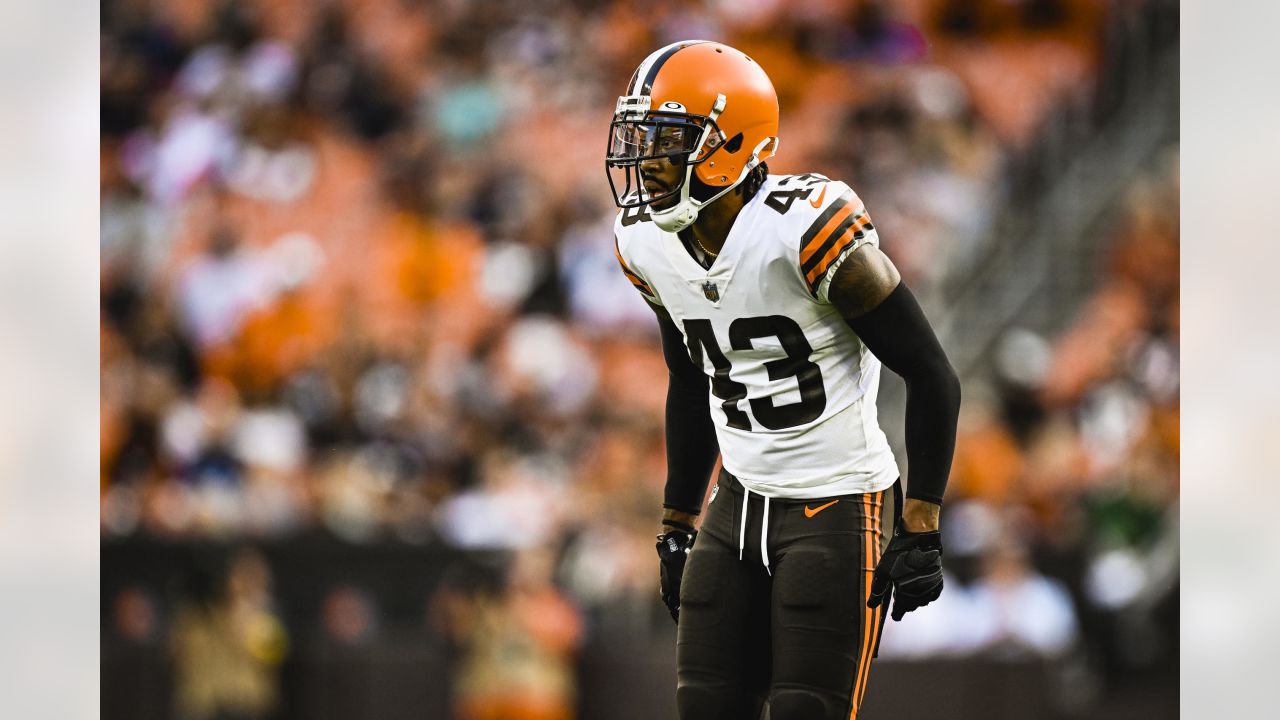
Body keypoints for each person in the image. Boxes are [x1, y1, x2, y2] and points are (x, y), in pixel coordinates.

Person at [605, 40, 962, 719]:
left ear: (732, 145)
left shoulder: (804, 229)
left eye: (668, 139)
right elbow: (688, 379)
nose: (646, 160)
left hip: (833, 506)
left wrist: (921, 523)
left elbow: (930, 372)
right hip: (736, 502)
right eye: (641, 137)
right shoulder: (645, 243)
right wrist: (678, 519)